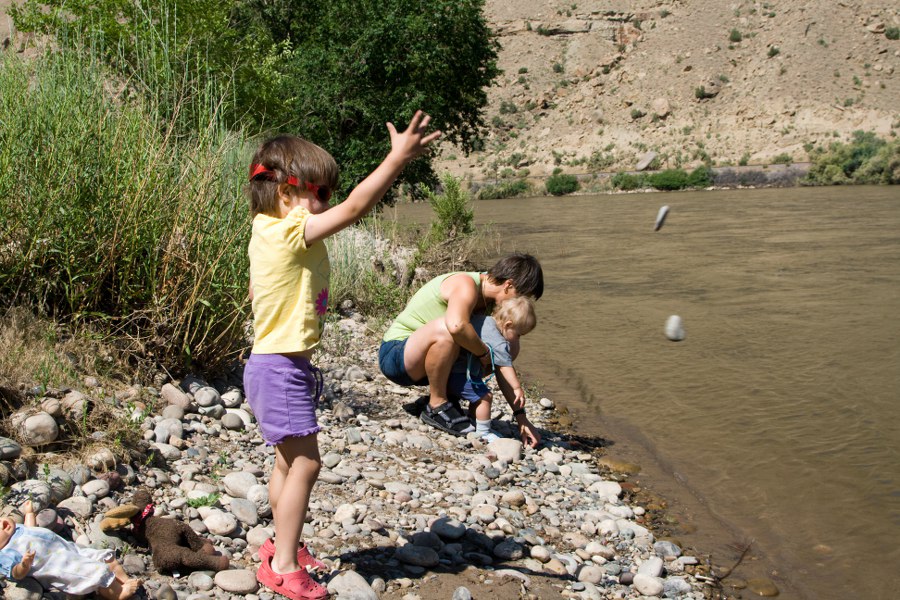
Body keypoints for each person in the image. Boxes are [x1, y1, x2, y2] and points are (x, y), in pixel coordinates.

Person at [244, 111, 440, 600]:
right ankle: (283, 566)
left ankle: (280, 545)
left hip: (277, 364)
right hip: (279, 367)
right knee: (306, 463)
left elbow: (256, 290)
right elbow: (355, 209)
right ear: (286, 192)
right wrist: (396, 159)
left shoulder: (264, 232)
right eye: (320, 192)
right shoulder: (288, 230)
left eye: (327, 193)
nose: (326, 202)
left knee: (288, 464)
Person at [379, 252, 543, 447]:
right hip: (396, 355)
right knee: (453, 329)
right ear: (508, 285)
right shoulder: (466, 285)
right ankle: (437, 405)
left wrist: (521, 418)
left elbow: (501, 363)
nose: (521, 303)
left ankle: (446, 398)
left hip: (423, 359)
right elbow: (456, 326)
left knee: (504, 347)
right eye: (522, 296)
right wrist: (483, 353)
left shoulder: (490, 306)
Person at [0, 501, 141, 599]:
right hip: (60, 564)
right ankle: (118, 594)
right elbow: (16, 574)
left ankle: (125, 580)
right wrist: (24, 565)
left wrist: (29, 513)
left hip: (70, 550)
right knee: (94, 572)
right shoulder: (6, 553)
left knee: (104, 557)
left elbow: (30, 529)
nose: (3, 524)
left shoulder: (17, 530)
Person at [449, 295, 537, 442]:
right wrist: (516, 387)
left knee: (478, 395)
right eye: (518, 335)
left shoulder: (483, 320)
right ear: (508, 325)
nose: (518, 339)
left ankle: (473, 420)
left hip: (450, 368)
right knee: (485, 398)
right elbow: (504, 366)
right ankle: (483, 432)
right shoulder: (497, 341)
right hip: (458, 373)